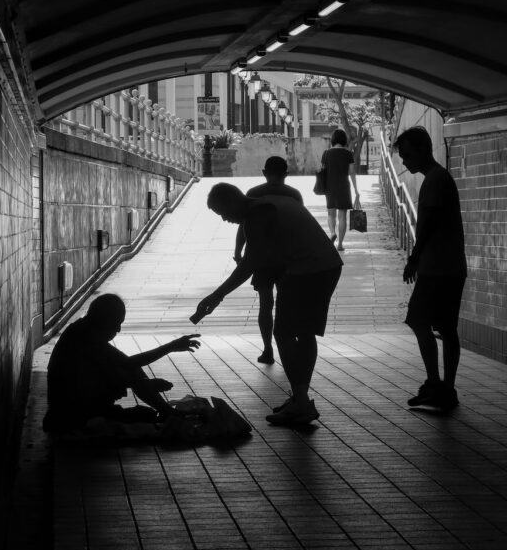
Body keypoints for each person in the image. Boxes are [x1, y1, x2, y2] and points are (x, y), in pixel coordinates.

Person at [193, 183, 342, 426]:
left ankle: (301, 402)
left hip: (307, 269)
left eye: (222, 213)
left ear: (232, 201)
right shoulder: (270, 203)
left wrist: (216, 296)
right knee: (305, 333)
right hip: (326, 265)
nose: (225, 220)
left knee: (283, 332)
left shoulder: (257, 215)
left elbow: (250, 262)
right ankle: (300, 399)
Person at [44, 293, 201, 433]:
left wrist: (170, 348)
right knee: (144, 415)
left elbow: (128, 364)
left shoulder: (85, 331)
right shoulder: (84, 339)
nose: (118, 329)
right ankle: (165, 412)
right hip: (72, 414)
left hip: (80, 407)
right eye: (116, 323)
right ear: (104, 321)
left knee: (142, 407)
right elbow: (122, 372)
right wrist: (146, 383)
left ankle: (166, 411)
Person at [396, 127, 467, 411]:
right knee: (446, 328)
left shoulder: (435, 181)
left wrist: (414, 258)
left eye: (407, 154)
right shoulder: (438, 178)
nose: (403, 161)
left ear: (423, 150)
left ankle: (436, 383)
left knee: (419, 320)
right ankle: (444, 387)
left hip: (437, 268)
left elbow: (428, 224)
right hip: (449, 266)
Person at [233, 156, 304, 365]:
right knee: (287, 305)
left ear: (264, 172)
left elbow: (243, 226)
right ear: (286, 174)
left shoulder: (254, 194)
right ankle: (289, 347)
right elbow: (298, 224)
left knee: (265, 304)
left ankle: (267, 349)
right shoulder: (294, 195)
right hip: (287, 257)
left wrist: (238, 251)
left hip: (261, 258)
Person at [321, 128, 360, 251]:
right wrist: (356, 190)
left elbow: (322, 171)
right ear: (344, 140)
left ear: (333, 140)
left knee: (331, 213)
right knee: (342, 216)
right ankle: (340, 244)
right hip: (344, 187)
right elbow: (352, 172)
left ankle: (332, 232)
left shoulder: (326, 153)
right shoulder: (348, 153)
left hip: (330, 187)